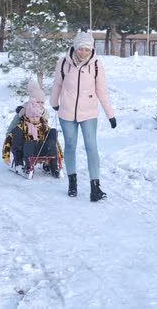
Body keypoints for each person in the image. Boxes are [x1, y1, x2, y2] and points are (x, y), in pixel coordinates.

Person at [50, 32, 116, 202]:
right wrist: (54, 102)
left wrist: (110, 115)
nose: (83, 52)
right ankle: (72, 182)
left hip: (88, 113)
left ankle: (95, 187)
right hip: (67, 112)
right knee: (70, 145)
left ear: (91, 49)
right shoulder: (64, 62)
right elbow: (57, 84)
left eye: (87, 49)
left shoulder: (96, 66)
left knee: (91, 147)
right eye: (81, 49)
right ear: (75, 47)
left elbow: (102, 91)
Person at [3, 81, 61, 177]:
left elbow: (44, 129)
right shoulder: (24, 111)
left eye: (42, 102)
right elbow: (12, 129)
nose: (40, 104)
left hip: (39, 143)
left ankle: (50, 163)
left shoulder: (44, 112)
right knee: (18, 133)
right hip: (23, 142)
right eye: (38, 102)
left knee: (52, 133)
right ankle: (19, 162)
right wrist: (11, 141)